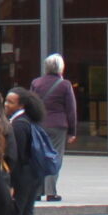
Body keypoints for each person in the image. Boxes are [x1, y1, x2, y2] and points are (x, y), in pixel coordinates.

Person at [4, 88, 54, 215]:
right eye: (6, 100)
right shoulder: (29, 121)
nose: (6, 104)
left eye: (10, 102)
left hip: (22, 178)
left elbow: (16, 157)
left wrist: (11, 184)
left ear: (21, 105)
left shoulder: (18, 125)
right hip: (33, 176)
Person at [34, 56, 78, 200]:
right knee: (54, 157)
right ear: (61, 68)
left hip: (39, 125)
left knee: (38, 156)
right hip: (58, 126)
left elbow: (31, 104)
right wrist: (72, 131)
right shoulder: (65, 85)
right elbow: (71, 109)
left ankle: (36, 191)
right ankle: (51, 192)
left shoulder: (36, 83)